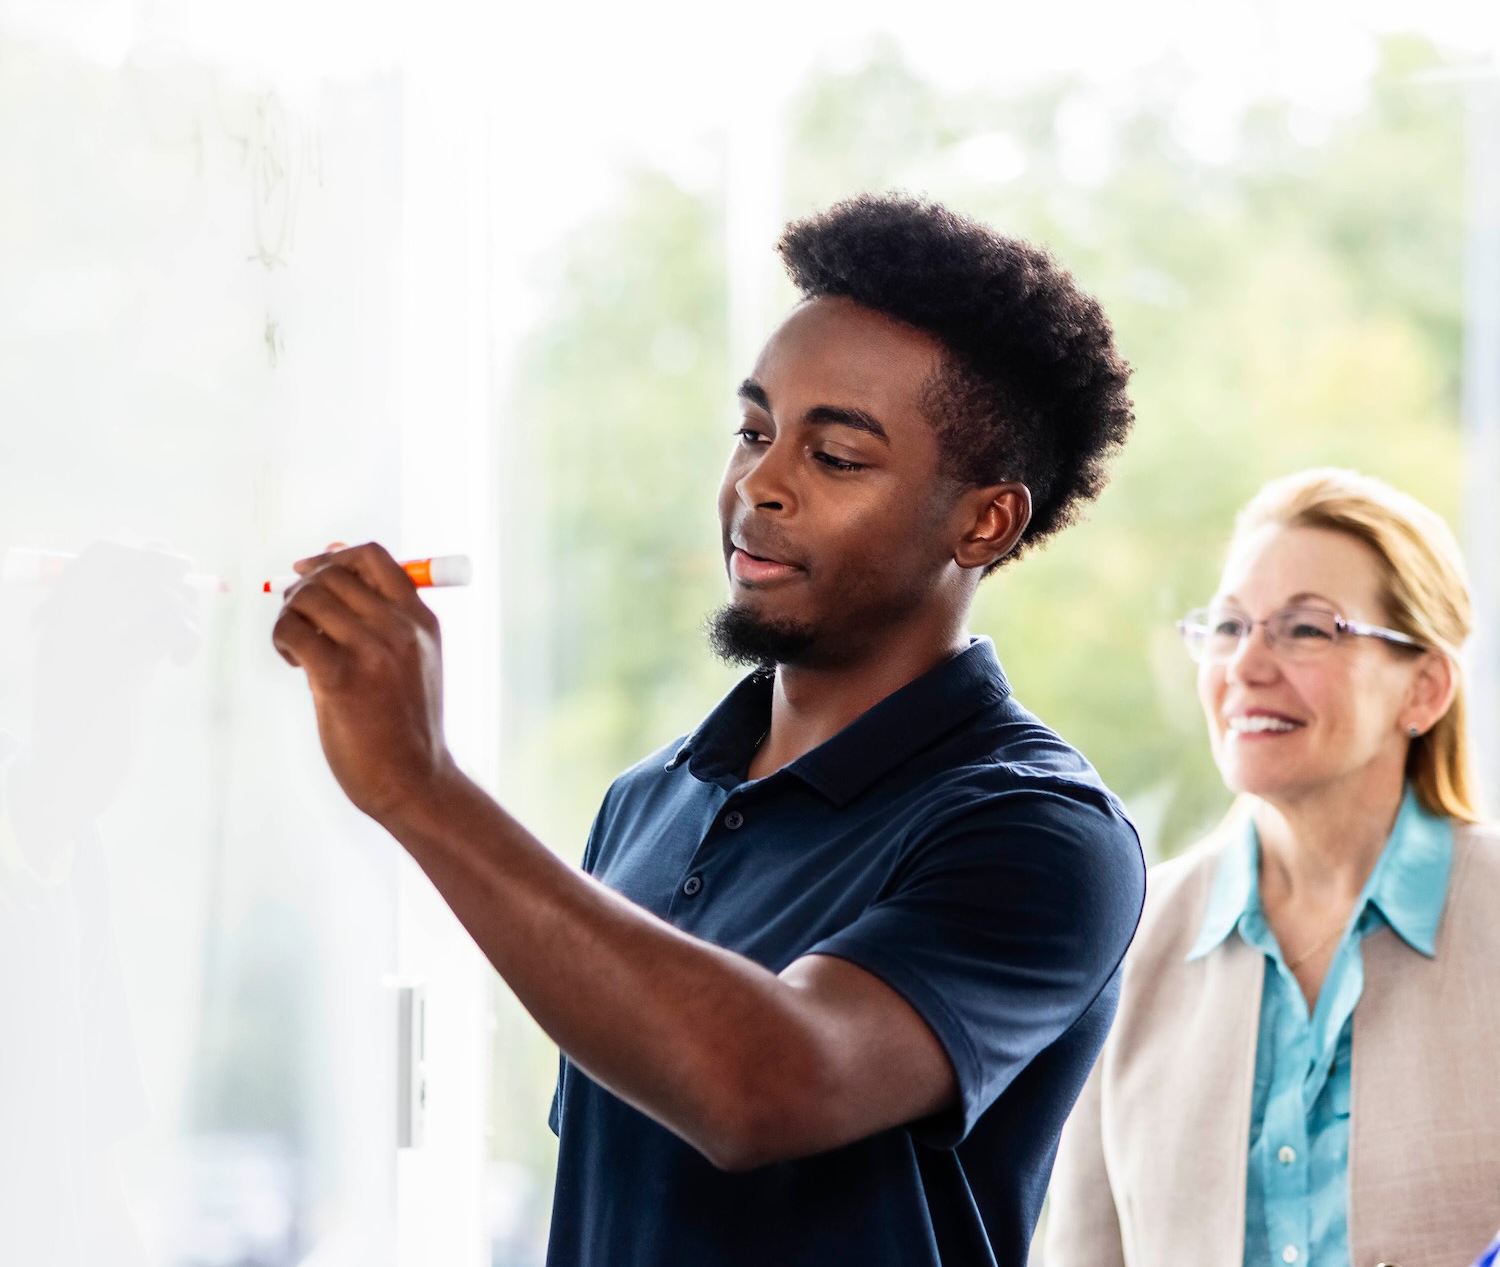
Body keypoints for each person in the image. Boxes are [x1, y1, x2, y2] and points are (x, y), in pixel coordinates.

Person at [271, 193, 1146, 1266]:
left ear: (984, 521)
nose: (758, 484)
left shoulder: (1043, 832)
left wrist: (421, 785)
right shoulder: (648, 801)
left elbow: (763, 1089)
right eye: (754, 431)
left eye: (837, 457)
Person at [1045, 467, 1500, 1267]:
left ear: (1425, 690)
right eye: (1229, 626)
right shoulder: (1126, 943)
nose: (1247, 665)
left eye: (1307, 630)